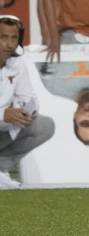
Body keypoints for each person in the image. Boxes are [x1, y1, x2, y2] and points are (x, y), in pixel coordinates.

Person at [0, 16, 55, 189]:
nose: (9, 44)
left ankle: (1, 167)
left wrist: (22, 111)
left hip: (3, 129)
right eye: (3, 37)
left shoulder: (17, 63)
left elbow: (29, 97)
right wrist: (3, 114)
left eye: (14, 38)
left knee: (44, 125)